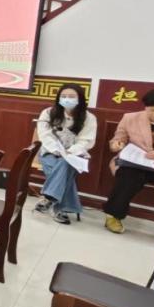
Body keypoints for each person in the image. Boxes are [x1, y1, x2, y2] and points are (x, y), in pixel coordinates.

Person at [104, 88, 154, 235]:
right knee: (125, 181)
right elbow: (119, 138)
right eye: (152, 110)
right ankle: (113, 215)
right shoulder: (130, 118)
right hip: (136, 162)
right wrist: (117, 144)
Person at [34, 84, 97, 225]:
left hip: (74, 154)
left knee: (65, 163)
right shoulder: (48, 113)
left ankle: (48, 198)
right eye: (63, 96)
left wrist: (70, 151)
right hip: (50, 152)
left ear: (80, 98)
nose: (67, 99)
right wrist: (57, 150)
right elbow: (44, 135)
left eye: (71, 96)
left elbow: (86, 140)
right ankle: (60, 207)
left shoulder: (89, 117)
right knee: (64, 167)